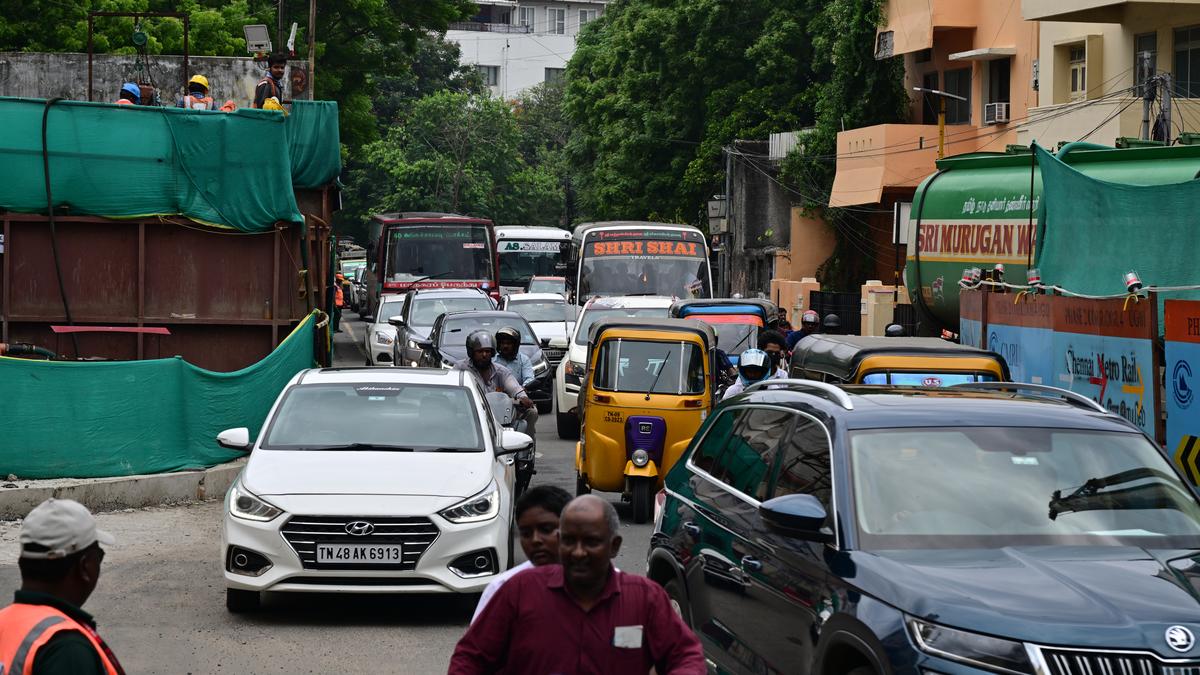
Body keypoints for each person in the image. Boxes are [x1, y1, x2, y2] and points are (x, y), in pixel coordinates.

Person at [449, 495, 705, 675]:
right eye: (570, 541)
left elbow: (685, 656)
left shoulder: (645, 599)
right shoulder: (519, 592)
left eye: (591, 542)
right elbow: (471, 658)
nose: (579, 553)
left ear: (613, 546)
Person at [0, 498, 125, 675]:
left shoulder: (4, 624)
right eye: (99, 556)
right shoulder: (66, 649)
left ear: (22, 563)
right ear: (85, 566)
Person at [471, 485, 572, 623]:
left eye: (546, 529)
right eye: (526, 534)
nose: (535, 540)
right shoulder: (503, 587)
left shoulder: (604, 582)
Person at [455, 330, 536, 417]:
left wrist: (523, 397)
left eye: (487, 351)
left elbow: (514, 387)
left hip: (499, 411)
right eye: (480, 351)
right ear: (472, 353)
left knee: (532, 411)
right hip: (470, 411)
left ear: (492, 353)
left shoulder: (501, 371)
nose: (484, 355)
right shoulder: (460, 368)